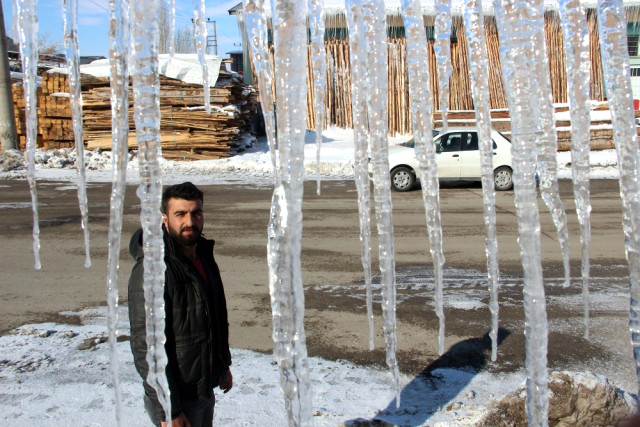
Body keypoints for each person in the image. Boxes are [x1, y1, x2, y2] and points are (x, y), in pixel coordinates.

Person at [128, 182, 232, 427]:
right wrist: (169, 409)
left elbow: (213, 317)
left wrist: (222, 364)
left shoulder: (203, 257)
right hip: (177, 396)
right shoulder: (152, 269)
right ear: (165, 219)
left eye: (196, 213)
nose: (190, 221)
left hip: (203, 388)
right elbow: (147, 347)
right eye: (180, 214)